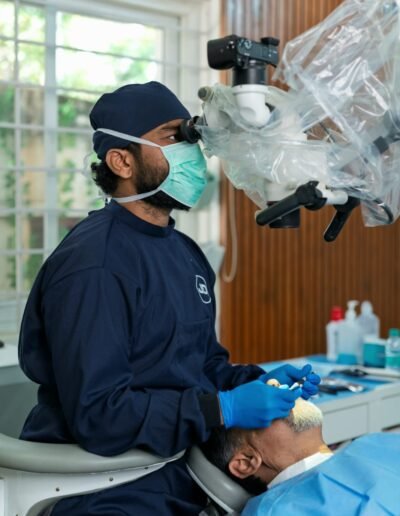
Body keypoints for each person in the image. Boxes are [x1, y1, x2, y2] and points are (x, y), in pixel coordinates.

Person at [17, 81, 320, 515]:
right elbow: (99, 415)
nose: (192, 153)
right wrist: (223, 408)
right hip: (96, 485)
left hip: (171, 468)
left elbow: (201, 366)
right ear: (122, 161)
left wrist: (257, 382)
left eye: (191, 137)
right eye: (173, 137)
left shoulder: (184, 253)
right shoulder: (95, 264)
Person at [201, 395, 400, 515]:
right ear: (246, 462)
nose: (278, 394)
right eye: (260, 409)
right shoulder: (273, 512)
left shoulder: (375, 442)